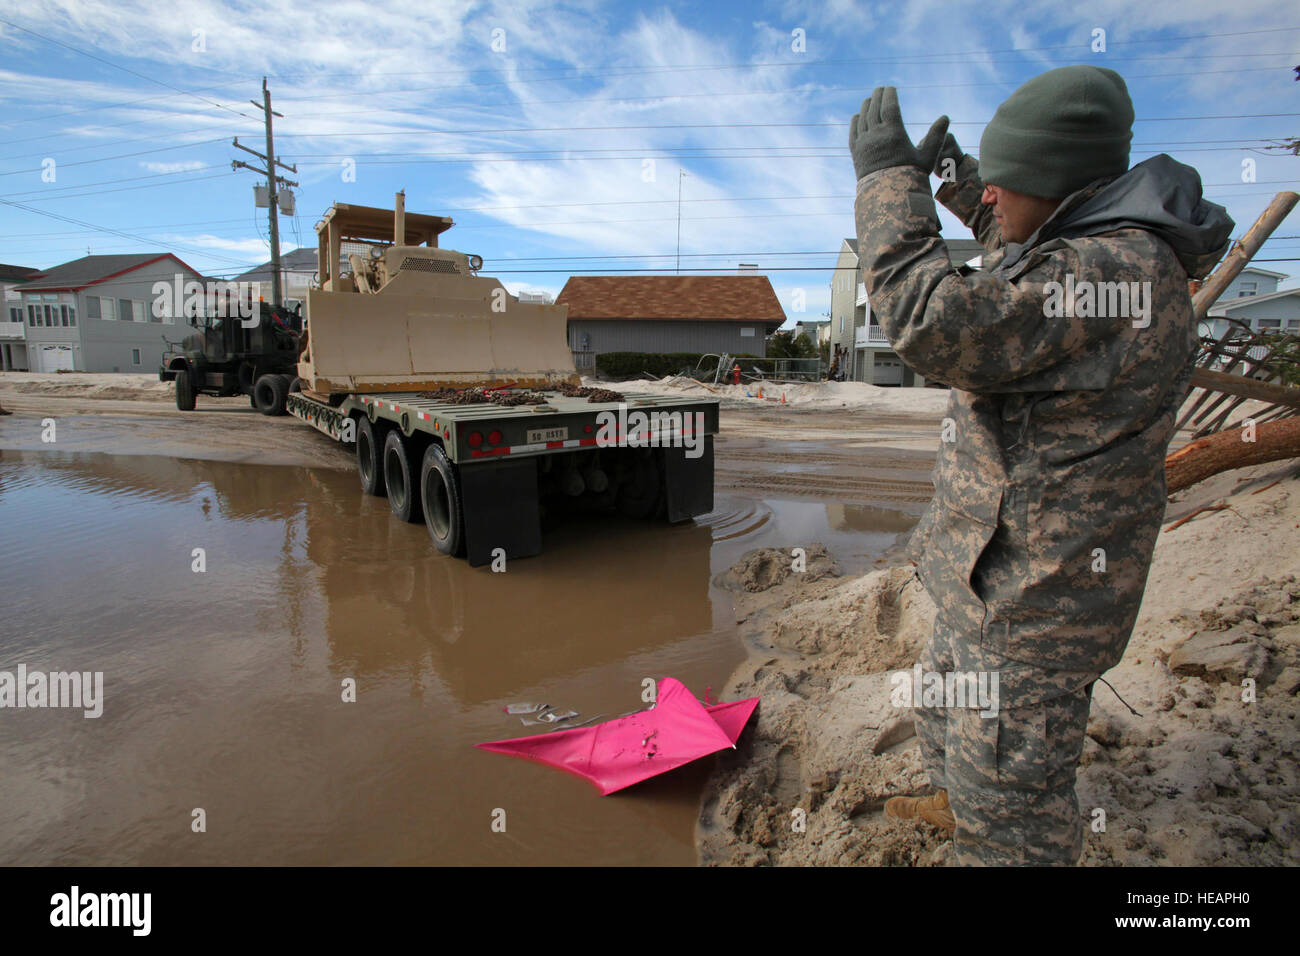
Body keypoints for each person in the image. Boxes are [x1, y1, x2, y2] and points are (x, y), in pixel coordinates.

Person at [848, 66, 1233, 864]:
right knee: (943, 708)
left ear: (1062, 188)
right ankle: (958, 804)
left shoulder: (1117, 272)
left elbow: (934, 322)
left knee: (1012, 812)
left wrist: (890, 187)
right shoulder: (1079, 245)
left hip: (1038, 603)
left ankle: (987, 830)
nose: (992, 196)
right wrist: (959, 180)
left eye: (1007, 181)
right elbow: (1017, 244)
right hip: (987, 576)